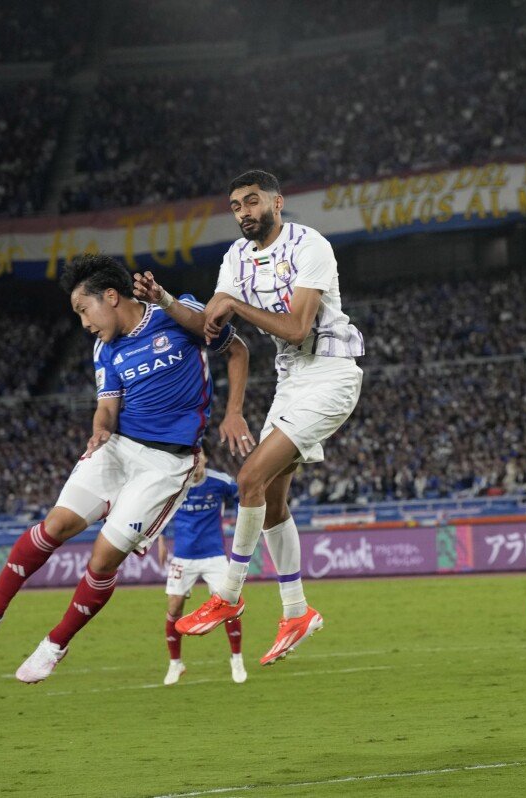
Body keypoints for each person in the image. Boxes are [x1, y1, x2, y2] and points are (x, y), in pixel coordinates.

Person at [0, 254, 248, 683]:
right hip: (117, 447)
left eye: (83, 309)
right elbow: (107, 407)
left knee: (102, 558)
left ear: (110, 297)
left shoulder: (175, 313)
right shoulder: (105, 348)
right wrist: (98, 431)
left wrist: (234, 411)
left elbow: (224, 339)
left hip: (166, 463)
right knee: (55, 526)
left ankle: (54, 644)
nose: (84, 323)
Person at [135, 169, 363, 665]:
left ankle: (230, 593)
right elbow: (210, 322)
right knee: (273, 500)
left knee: (249, 478)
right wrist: (166, 301)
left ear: (277, 203)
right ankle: (297, 611)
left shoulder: (310, 246)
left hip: (330, 374)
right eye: (236, 206)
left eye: (252, 202)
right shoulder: (235, 258)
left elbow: (299, 325)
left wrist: (235, 303)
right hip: (290, 381)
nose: (244, 212)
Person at [157, 449, 246, 685]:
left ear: (205, 460)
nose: (197, 465)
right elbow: (164, 511)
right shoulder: (177, 484)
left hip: (214, 555)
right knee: (174, 607)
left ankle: (236, 658)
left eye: (200, 460)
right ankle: (175, 663)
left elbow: (241, 497)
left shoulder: (221, 482)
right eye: (193, 461)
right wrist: (161, 540)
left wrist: (242, 523)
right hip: (183, 556)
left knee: (229, 605)